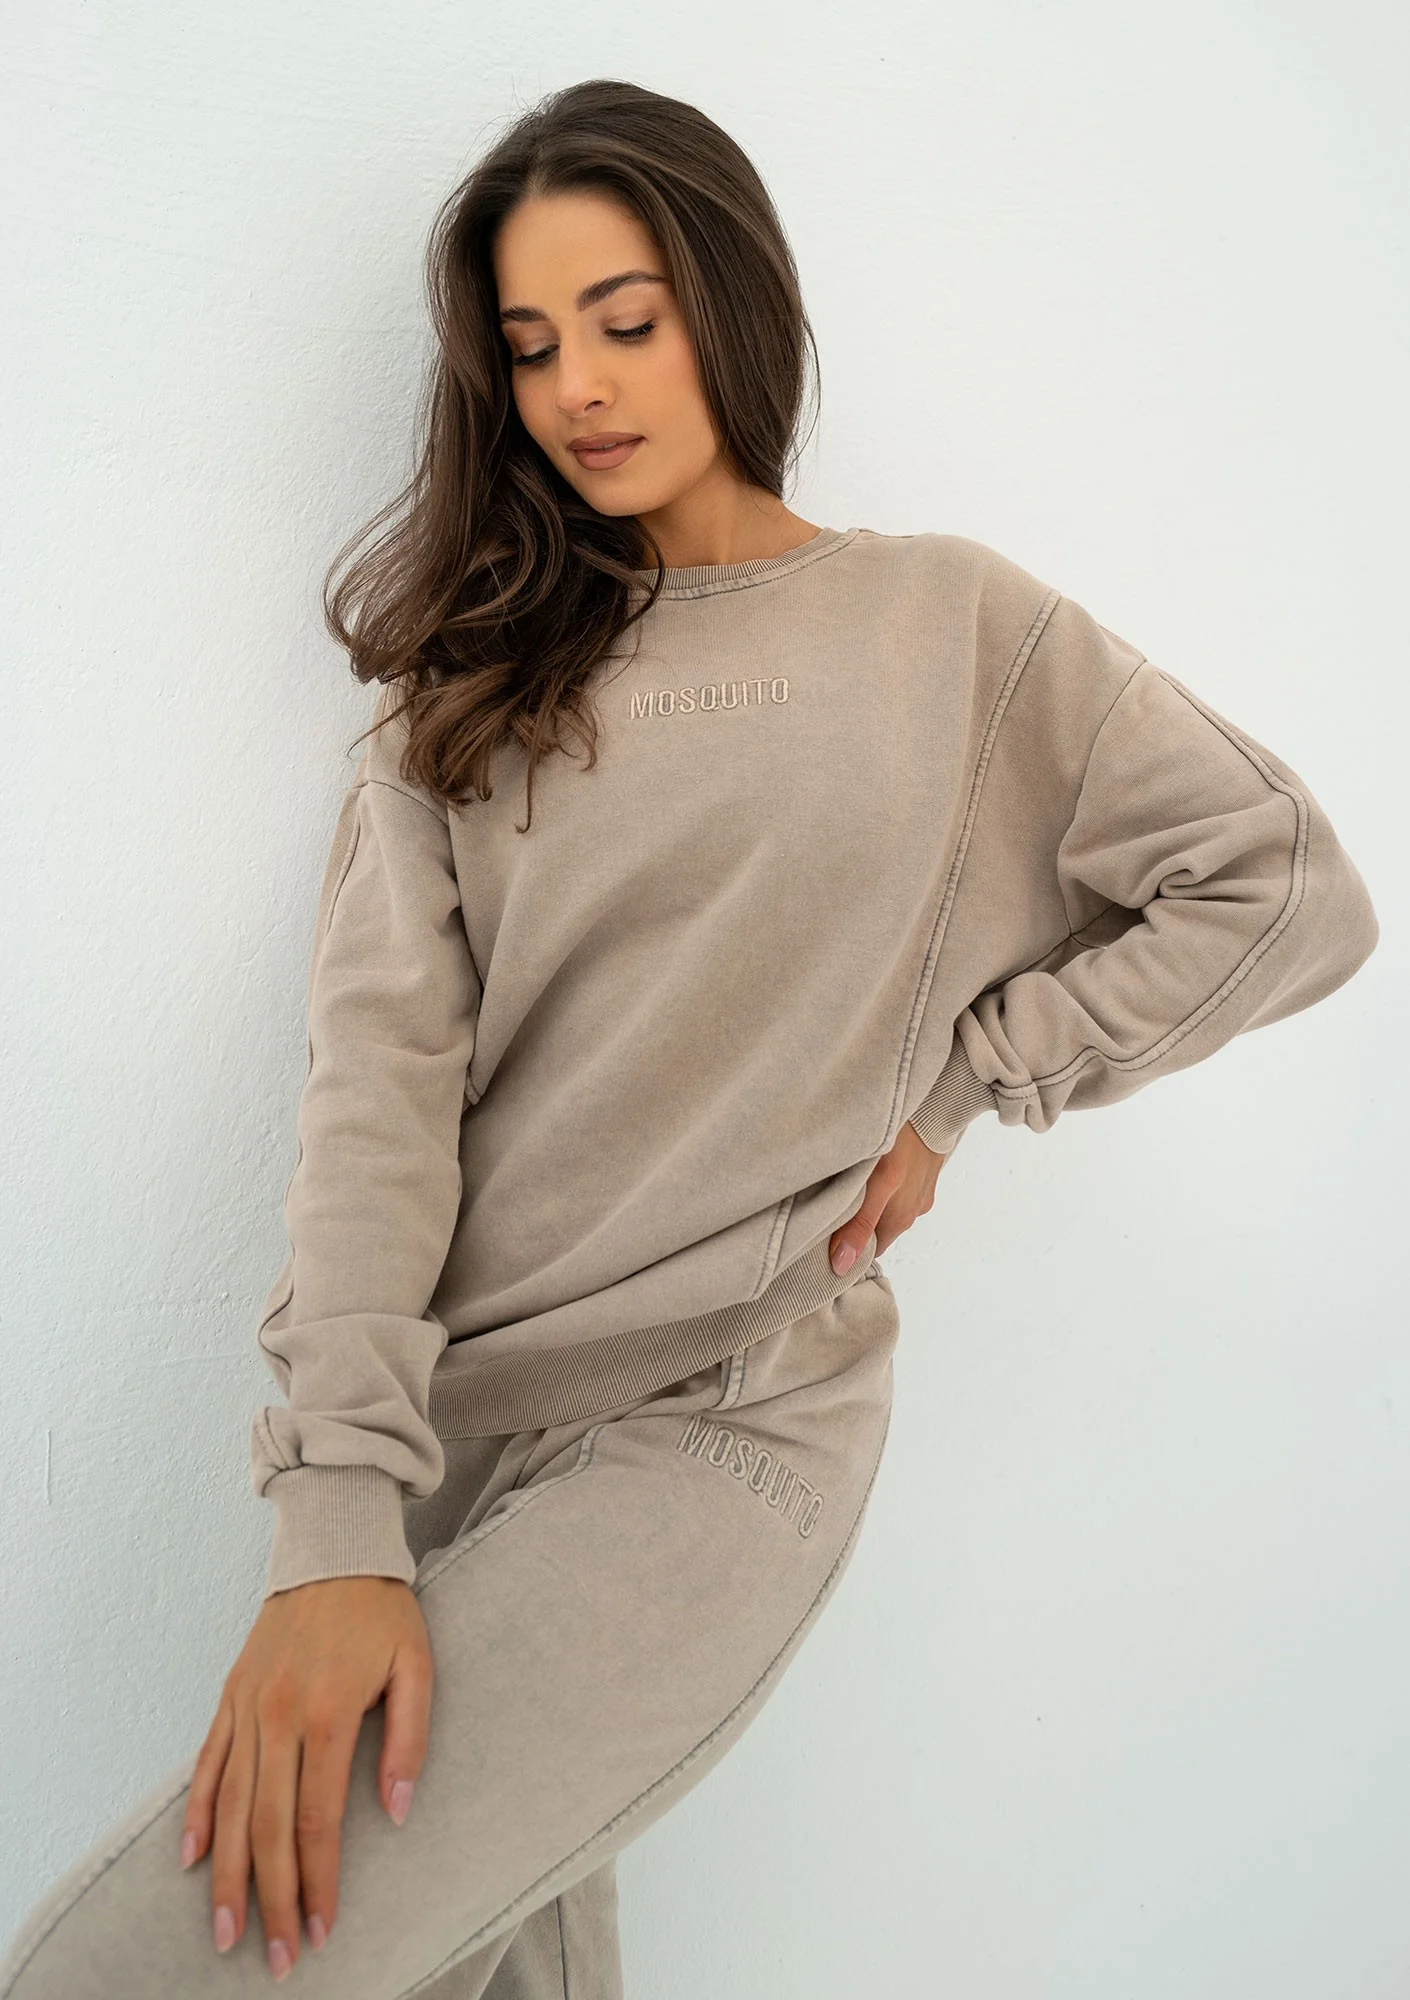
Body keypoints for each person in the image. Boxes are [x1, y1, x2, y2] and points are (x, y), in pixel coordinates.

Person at [0, 75, 1379, 2000]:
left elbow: (1279, 883)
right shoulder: (465, 694)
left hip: (724, 1424)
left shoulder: (947, 630)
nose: (578, 386)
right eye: (529, 345)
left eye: (625, 319)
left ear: (729, 302)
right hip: (444, 1433)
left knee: (160, 1968)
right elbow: (376, 1110)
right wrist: (334, 1518)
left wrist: (969, 1084)